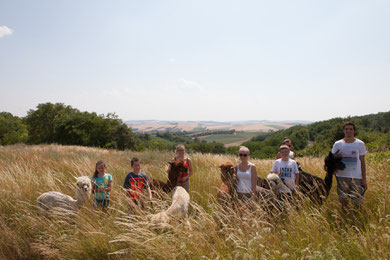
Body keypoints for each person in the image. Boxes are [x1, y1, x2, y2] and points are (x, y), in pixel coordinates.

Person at [331, 122, 367, 211]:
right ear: (344, 130)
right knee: (343, 201)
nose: (348, 131)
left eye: (351, 129)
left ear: (354, 131)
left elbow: (362, 161)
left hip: (356, 177)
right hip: (341, 177)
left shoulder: (360, 144)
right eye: (346, 129)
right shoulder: (337, 144)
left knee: (357, 202)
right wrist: (333, 170)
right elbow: (332, 159)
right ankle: (346, 220)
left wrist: (364, 179)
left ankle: (357, 221)